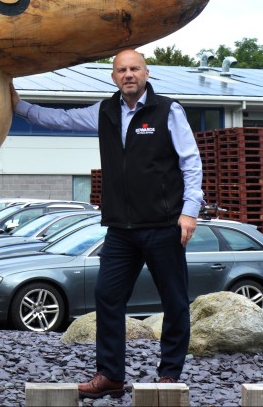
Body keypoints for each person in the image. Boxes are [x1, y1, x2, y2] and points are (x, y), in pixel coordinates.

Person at [11, 49, 204, 399]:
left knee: (174, 301)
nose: (128, 74)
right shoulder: (104, 111)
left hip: (163, 225)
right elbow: (60, 120)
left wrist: (189, 211)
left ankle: (169, 374)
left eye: (134, 69)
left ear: (146, 73)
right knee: (107, 296)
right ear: (113, 76)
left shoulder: (168, 111)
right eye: (121, 70)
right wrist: (19, 106)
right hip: (121, 229)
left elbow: (190, 162)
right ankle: (111, 375)